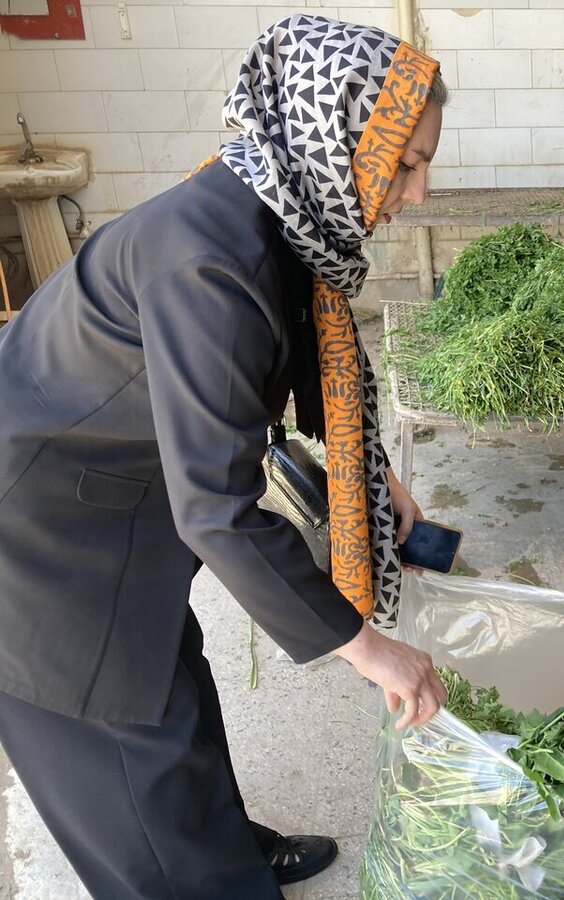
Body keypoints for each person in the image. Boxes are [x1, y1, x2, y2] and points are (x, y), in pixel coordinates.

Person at [0, 16, 449, 898]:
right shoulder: (211, 261)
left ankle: (223, 846)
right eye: (406, 163)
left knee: (173, 681)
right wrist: (366, 647)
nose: (419, 193)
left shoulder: (276, 210)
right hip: (36, 527)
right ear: (332, 137)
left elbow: (268, 375)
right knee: (124, 733)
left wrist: (372, 474)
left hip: (114, 493)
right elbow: (215, 510)